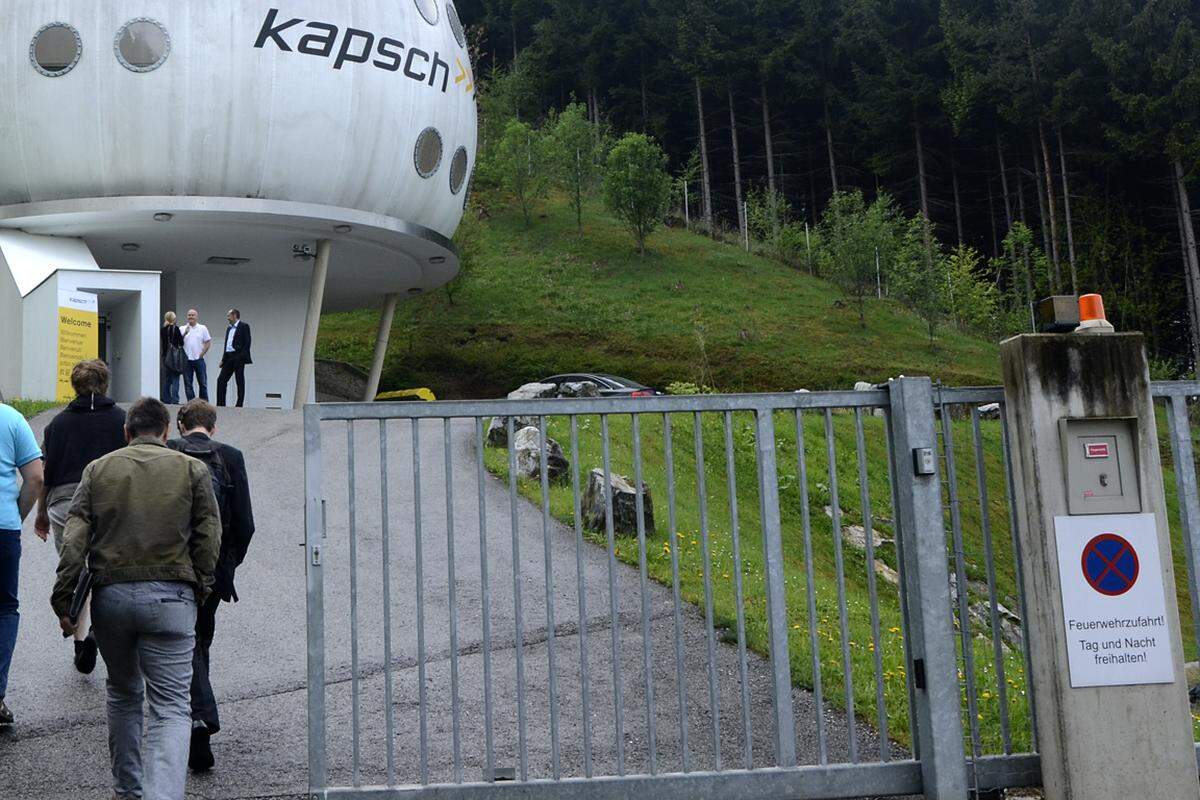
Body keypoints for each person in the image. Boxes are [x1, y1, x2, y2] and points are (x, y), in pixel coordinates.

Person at [52, 398, 220, 800]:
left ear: (127, 433)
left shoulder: (98, 470)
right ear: (166, 432)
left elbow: (75, 539)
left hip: (112, 599)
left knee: (124, 692)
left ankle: (128, 790)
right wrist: (200, 585)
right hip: (172, 599)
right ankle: (162, 795)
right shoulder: (193, 469)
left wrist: (64, 600)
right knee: (170, 706)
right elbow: (208, 535)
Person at [167, 400, 254, 772]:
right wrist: (227, 567)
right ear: (214, 427)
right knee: (199, 636)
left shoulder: (168, 452)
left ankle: (197, 716)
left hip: (173, 565)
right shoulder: (231, 457)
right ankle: (195, 712)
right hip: (214, 569)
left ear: (180, 424)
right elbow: (245, 523)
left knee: (187, 642)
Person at [34, 360, 126, 674]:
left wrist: (41, 513)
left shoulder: (56, 424)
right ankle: (96, 635)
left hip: (65, 503)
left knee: (80, 571)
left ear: (74, 386)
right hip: (111, 500)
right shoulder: (121, 420)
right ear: (105, 385)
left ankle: (80, 639)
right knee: (106, 572)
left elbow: (47, 473)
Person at [0, 401, 43, 728]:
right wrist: (17, 514)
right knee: (4, 608)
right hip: (2, 528)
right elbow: (35, 478)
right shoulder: (11, 418)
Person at [216, 309, 252, 408]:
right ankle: (220, 404)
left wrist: (241, 356)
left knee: (239, 380)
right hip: (228, 357)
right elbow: (226, 344)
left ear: (234, 315)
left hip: (238, 356)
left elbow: (247, 343)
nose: (227, 318)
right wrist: (223, 359)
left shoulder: (244, 326)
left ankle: (239, 404)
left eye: (229, 316)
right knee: (221, 380)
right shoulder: (229, 329)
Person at [181, 309, 212, 402]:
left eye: (193, 315)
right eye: (189, 315)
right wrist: (184, 334)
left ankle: (204, 403)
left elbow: (208, 342)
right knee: (188, 384)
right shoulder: (182, 328)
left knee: (202, 383)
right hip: (186, 360)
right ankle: (192, 403)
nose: (191, 317)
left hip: (198, 359)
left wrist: (202, 354)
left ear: (196, 317)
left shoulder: (202, 328)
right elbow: (178, 343)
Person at [161, 311, 185, 404]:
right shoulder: (176, 329)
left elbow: (164, 344)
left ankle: (166, 399)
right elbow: (181, 343)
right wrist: (184, 334)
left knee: (167, 379)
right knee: (175, 378)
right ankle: (175, 399)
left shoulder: (163, 330)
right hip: (174, 358)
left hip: (165, 357)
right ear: (173, 319)